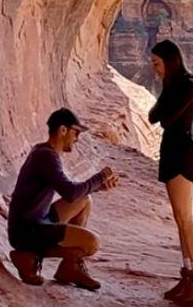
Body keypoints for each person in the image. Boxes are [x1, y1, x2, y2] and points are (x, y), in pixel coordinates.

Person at [7, 107, 118, 291]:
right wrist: (99, 178)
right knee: (92, 243)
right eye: (76, 133)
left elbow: (74, 193)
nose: (77, 139)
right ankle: (28, 255)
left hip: (35, 221)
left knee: (85, 200)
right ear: (63, 130)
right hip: (27, 231)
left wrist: (98, 187)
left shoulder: (44, 152)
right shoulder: (46, 156)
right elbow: (70, 192)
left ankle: (69, 267)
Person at [148, 39, 193, 302]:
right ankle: (188, 274)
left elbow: (166, 118)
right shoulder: (173, 86)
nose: (155, 69)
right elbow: (154, 116)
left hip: (182, 151)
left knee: (185, 218)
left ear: (170, 61)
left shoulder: (187, 86)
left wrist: (165, 101)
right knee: (179, 218)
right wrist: (165, 96)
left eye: (157, 64)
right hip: (171, 150)